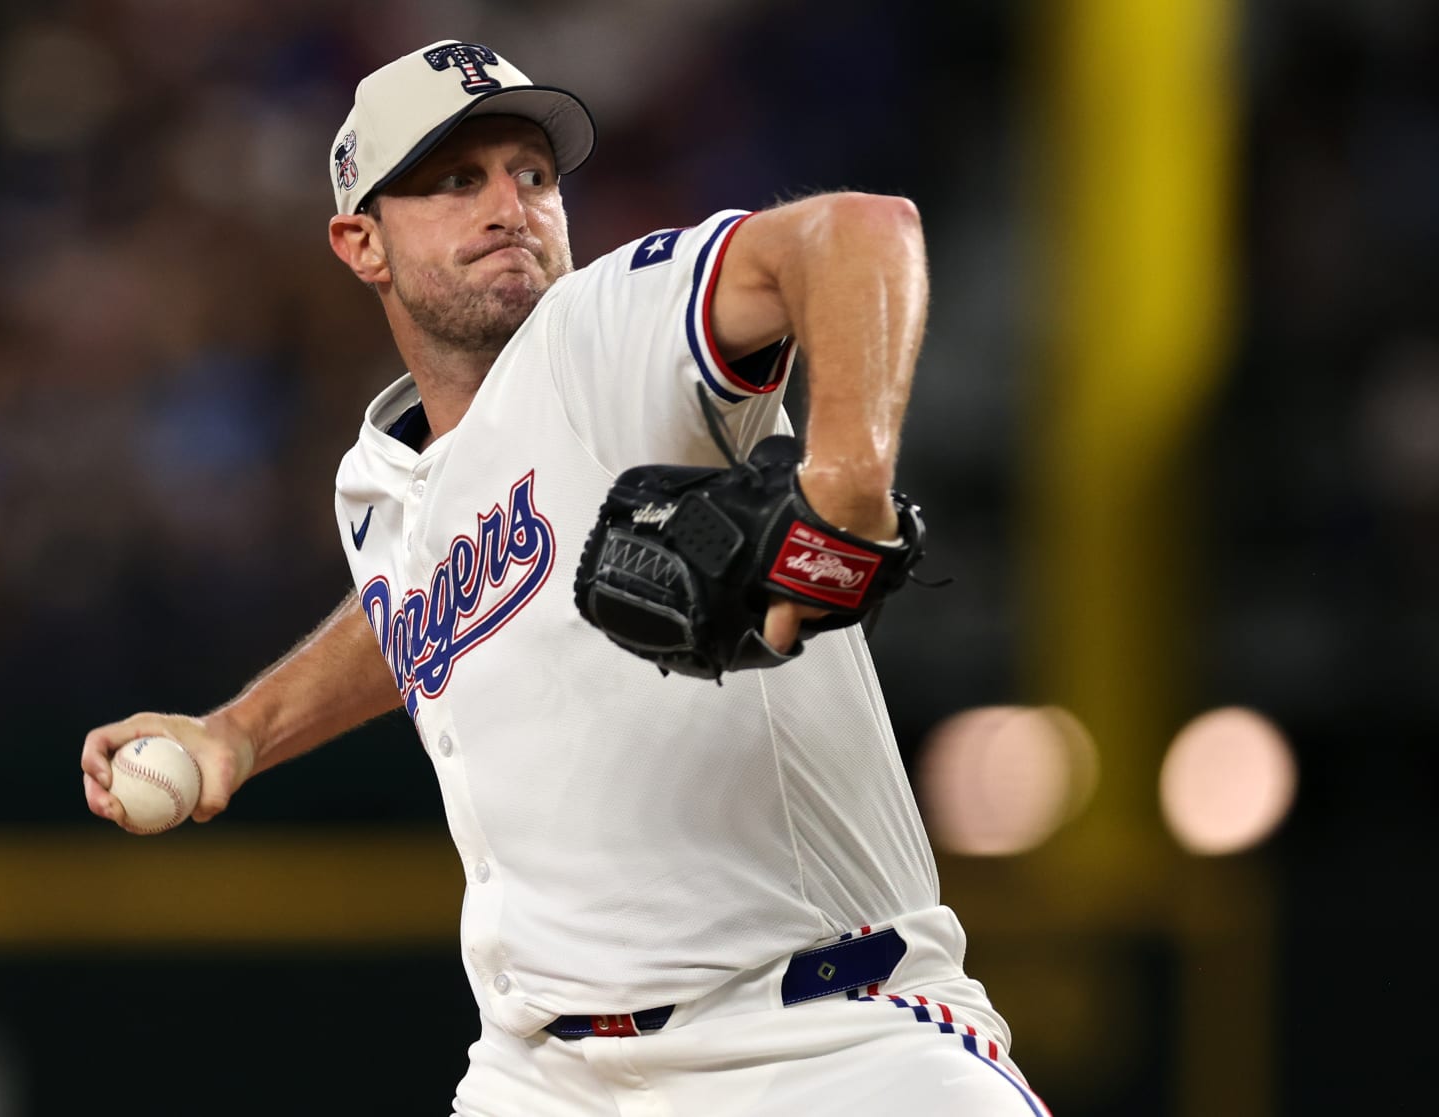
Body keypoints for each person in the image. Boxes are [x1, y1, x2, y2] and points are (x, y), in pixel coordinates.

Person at [82, 39, 1047, 1116]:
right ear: (361, 241)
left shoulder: (606, 331)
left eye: (532, 175)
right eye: (457, 181)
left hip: (819, 1039)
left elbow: (863, 232)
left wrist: (848, 480)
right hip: (544, 1075)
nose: (511, 205)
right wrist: (241, 731)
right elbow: (416, 610)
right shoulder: (381, 480)